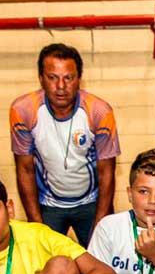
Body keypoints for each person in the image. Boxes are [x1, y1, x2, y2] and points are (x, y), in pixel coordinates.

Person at [10, 43, 121, 247]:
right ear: (41, 78)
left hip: (92, 201)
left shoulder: (99, 112)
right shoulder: (24, 110)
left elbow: (107, 172)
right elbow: (24, 169)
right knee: (50, 269)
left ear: (79, 79)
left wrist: (101, 221)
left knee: (102, 267)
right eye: (52, 77)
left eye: (68, 78)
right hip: (48, 203)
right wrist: (36, 223)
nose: (61, 86)